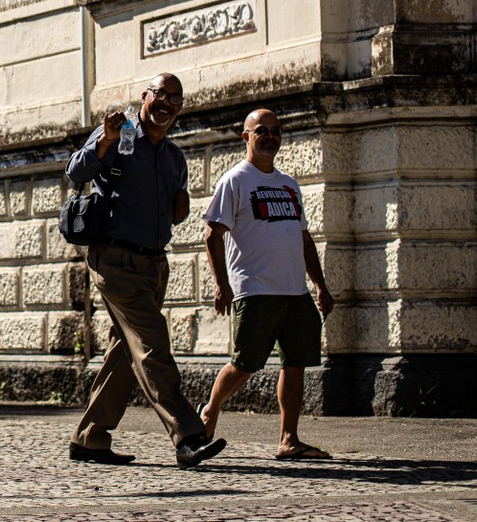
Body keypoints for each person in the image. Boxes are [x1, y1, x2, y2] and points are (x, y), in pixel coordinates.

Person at [66, 73, 227, 468]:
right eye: (160, 94)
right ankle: (188, 435)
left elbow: (176, 207)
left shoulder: (174, 157)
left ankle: (90, 438)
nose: (167, 103)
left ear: (181, 107)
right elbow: (75, 172)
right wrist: (102, 141)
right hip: (116, 261)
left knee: (127, 351)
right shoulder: (117, 134)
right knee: (153, 346)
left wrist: (181, 208)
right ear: (145, 96)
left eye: (175, 98)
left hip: (155, 264)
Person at [198, 108, 335, 460]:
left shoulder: (289, 184)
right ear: (247, 137)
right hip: (255, 289)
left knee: (296, 362)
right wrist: (222, 285)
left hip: (295, 291)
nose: (271, 136)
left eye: (276, 131)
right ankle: (210, 411)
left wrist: (319, 284)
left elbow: (303, 239)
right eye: (262, 131)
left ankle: (289, 439)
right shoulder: (235, 180)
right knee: (246, 362)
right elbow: (212, 235)